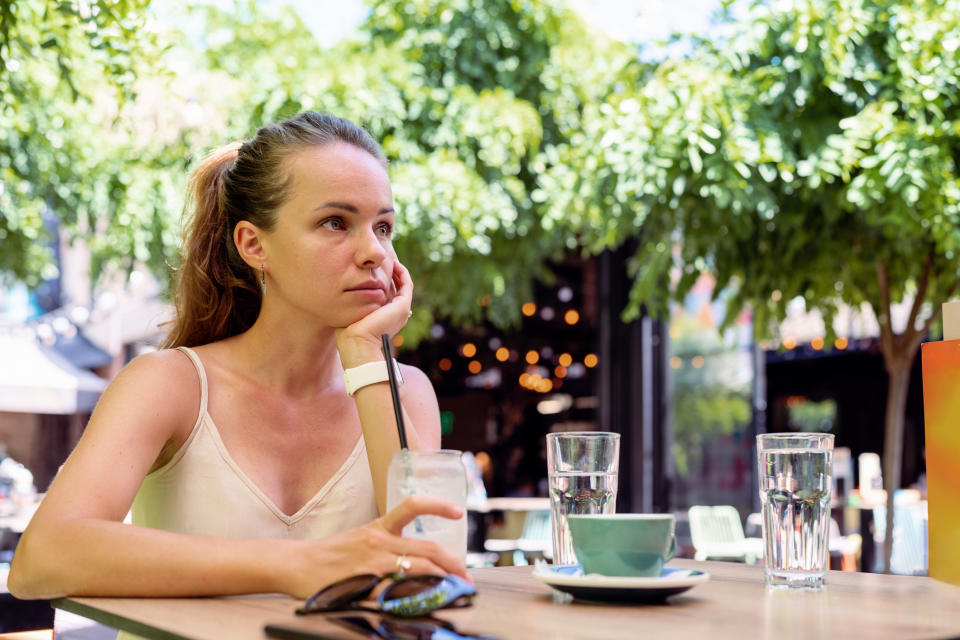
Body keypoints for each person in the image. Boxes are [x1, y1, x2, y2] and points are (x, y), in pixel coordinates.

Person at [9, 111, 468, 601]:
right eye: (335, 222)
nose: (374, 251)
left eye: (383, 227)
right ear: (254, 244)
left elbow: (431, 572)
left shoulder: (406, 391)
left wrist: (366, 357)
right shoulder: (169, 384)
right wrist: (295, 564)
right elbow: (42, 558)